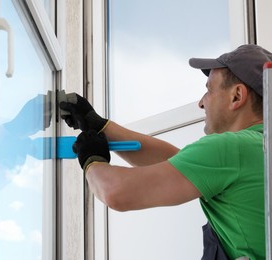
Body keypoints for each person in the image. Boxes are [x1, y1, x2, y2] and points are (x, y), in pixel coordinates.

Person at [60, 44, 272, 260]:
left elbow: (115, 192)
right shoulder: (260, 148)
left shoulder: (231, 149)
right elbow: (179, 163)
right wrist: (98, 125)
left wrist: (91, 159)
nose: (201, 103)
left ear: (237, 96)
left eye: (209, 90)